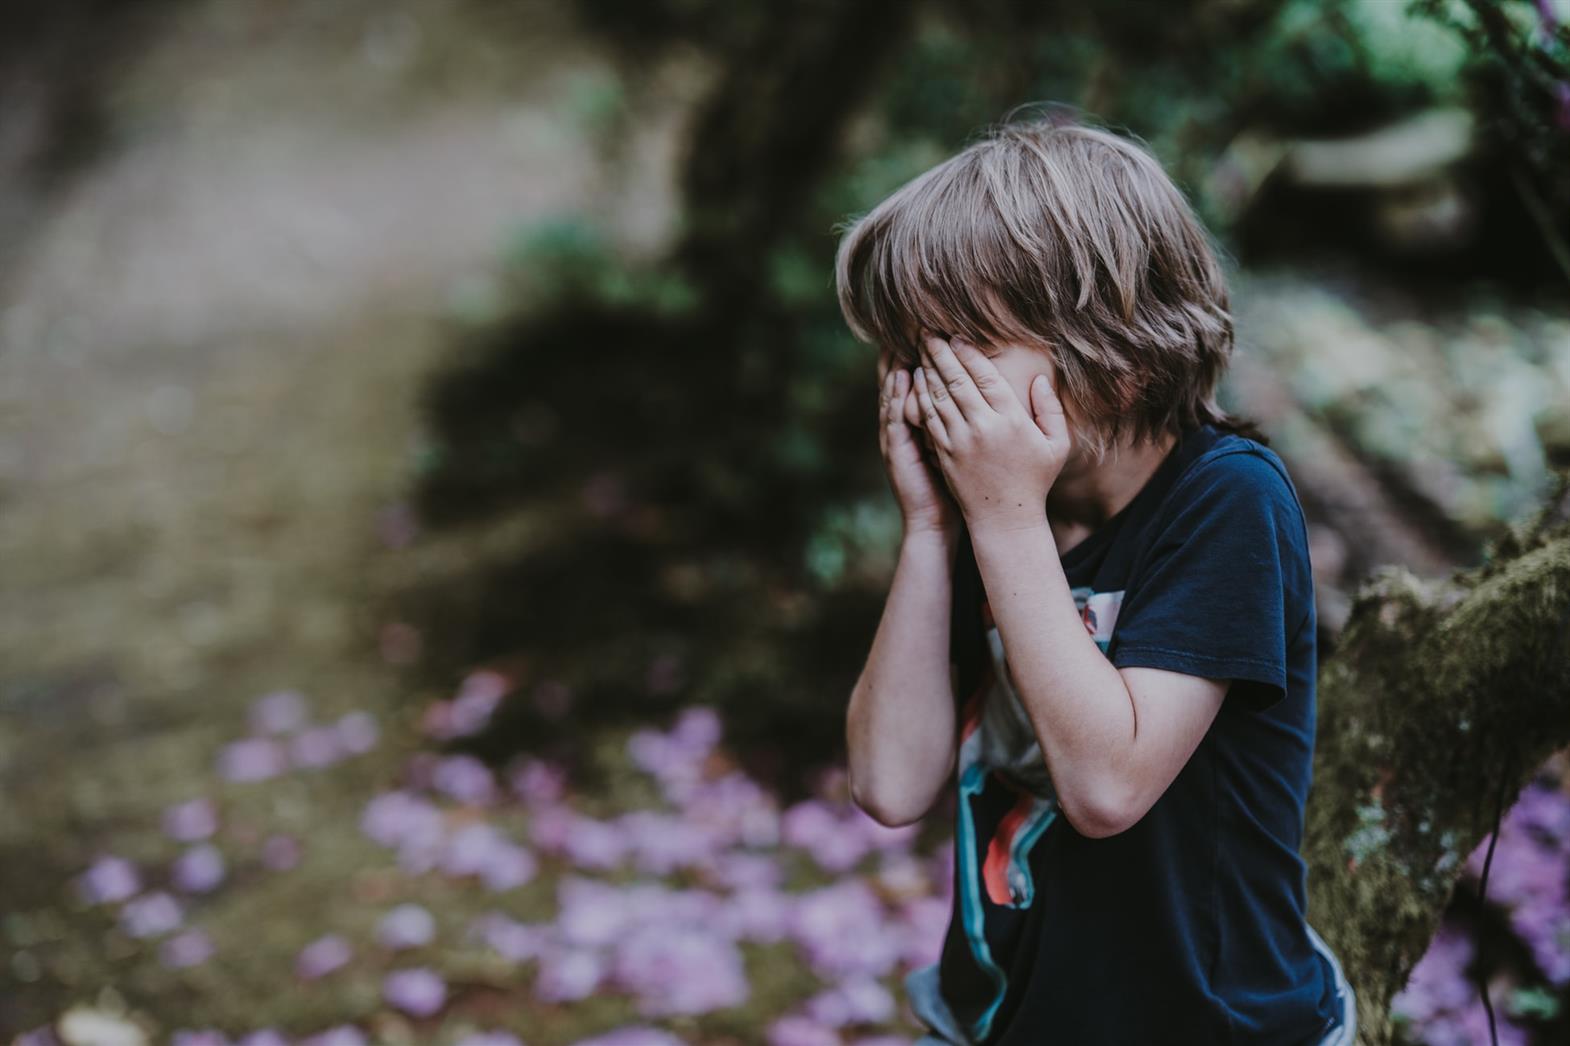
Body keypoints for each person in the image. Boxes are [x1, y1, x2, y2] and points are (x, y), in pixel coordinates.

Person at [833, 110, 1358, 1045]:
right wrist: (927, 529)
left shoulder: (1227, 500)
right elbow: (888, 781)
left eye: (964, 349)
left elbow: (1108, 787)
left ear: (1114, 353)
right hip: (999, 1016)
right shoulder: (984, 509)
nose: (934, 386)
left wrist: (1001, 517)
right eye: (915, 353)